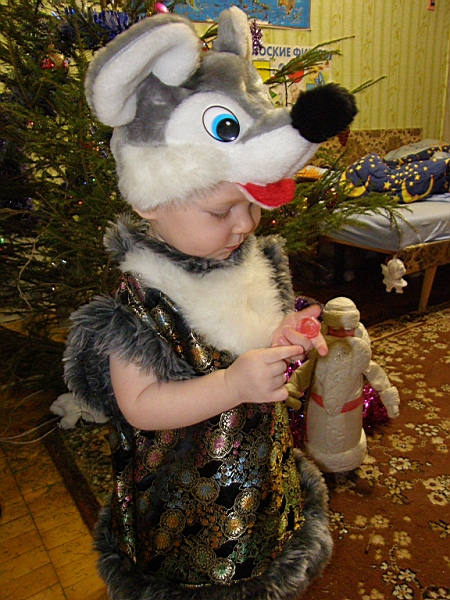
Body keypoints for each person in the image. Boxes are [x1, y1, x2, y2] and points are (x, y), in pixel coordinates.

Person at [63, 7, 357, 598]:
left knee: (268, 554)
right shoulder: (138, 304)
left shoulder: (251, 261)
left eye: (251, 207)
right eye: (222, 210)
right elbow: (141, 407)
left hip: (258, 470)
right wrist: (230, 385)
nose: (244, 225)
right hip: (184, 505)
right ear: (151, 201)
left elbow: (252, 334)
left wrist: (286, 331)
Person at [286, 297, 400, 474]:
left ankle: (349, 457)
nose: (341, 335)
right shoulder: (319, 356)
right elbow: (304, 373)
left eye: (347, 330)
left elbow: (376, 374)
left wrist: (388, 396)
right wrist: (293, 386)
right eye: (335, 330)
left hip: (350, 413)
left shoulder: (359, 357)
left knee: (348, 436)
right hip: (319, 412)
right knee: (318, 436)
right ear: (326, 329)